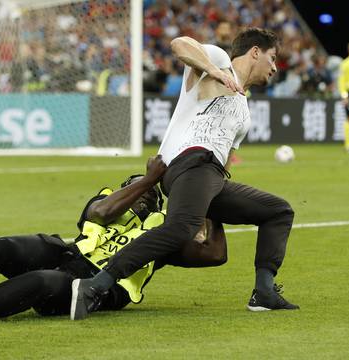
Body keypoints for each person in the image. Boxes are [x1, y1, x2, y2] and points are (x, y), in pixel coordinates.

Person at [71, 28, 298, 321]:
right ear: (255, 51)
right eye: (272, 57)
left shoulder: (244, 110)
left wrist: (207, 208)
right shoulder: (217, 60)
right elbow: (179, 44)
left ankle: (264, 292)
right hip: (189, 161)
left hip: (211, 177)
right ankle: (96, 285)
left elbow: (226, 160)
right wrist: (214, 70)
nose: (275, 67)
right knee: (181, 228)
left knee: (278, 211)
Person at [0, 156, 228, 321]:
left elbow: (214, 255)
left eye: (148, 192)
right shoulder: (105, 201)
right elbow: (99, 214)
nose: (142, 193)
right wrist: (146, 180)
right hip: (64, 252)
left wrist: (207, 199)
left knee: (41, 281)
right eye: (132, 187)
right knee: (3, 248)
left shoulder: (166, 227)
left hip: (99, 286)